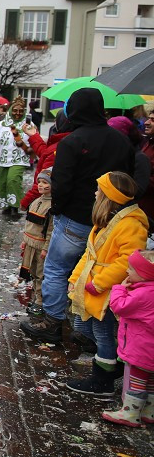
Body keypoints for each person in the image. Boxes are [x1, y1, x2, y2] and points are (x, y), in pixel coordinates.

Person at [21, 88, 136, 344]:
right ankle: (86, 330)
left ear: (73, 110)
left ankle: (52, 321)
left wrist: (58, 210)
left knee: (57, 268)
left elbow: (61, 182)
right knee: (94, 272)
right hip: (110, 220)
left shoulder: (73, 141)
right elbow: (127, 177)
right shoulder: (121, 141)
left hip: (75, 217)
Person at [63, 172, 147, 398]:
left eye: (99, 190)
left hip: (108, 289)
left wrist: (99, 283)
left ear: (108, 196)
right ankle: (114, 360)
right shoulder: (106, 221)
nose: (95, 193)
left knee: (102, 332)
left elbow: (128, 260)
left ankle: (103, 379)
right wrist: (74, 279)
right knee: (83, 326)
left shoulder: (131, 225)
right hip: (91, 283)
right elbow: (89, 255)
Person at [100, 249, 154, 426]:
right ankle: (149, 411)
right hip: (150, 348)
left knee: (137, 379)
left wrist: (119, 288)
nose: (127, 272)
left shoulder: (143, 294)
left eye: (131, 269)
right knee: (150, 379)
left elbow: (119, 306)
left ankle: (130, 413)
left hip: (141, 347)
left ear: (143, 274)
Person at [0, 97, 33, 217]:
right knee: (2, 183)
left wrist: (24, 144)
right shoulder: (2, 124)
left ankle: (15, 206)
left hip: (19, 159)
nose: (18, 113)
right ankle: (6, 205)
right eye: (15, 110)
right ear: (11, 110)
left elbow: (33, 140)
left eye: (21, 111)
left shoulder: (28, 125)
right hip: (3, 159)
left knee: (13, 180)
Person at [20, 169, 54, 318]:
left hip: (40, 246)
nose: (41, 185)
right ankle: (36, 298)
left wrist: (46, 248)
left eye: (45, 182)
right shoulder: (36, 201)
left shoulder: (51, 206)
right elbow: (29, 224)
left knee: (41, 274)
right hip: (30, 244)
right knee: (32, 272)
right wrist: (24, 240)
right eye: (39, 182)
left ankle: (40, 301)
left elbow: (50, 230)